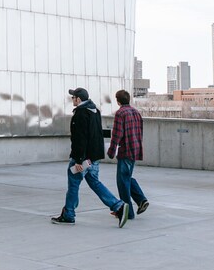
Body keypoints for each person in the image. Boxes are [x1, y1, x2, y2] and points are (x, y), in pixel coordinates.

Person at [52, 88, 129, 227]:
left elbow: (80, 139)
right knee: (95, 183)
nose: (72, 100)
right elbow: (96, 135)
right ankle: (118, 206)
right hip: (93, 157)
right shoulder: (95, 111)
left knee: (73, 183)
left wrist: (79, 159)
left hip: (82, 158)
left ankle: (68, 214)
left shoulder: (80, 114)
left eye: (73, 97)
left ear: (79, 99)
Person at [107, 89, 149, 220]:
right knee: (126, 177)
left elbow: (117, 134)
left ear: (118, 101)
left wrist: (111, 151)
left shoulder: (121, 113)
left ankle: (128, 212)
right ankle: (141, 200)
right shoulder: (136, 112)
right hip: (135, 148)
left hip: (126, 150)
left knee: (122, 182)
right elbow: (140, 132)